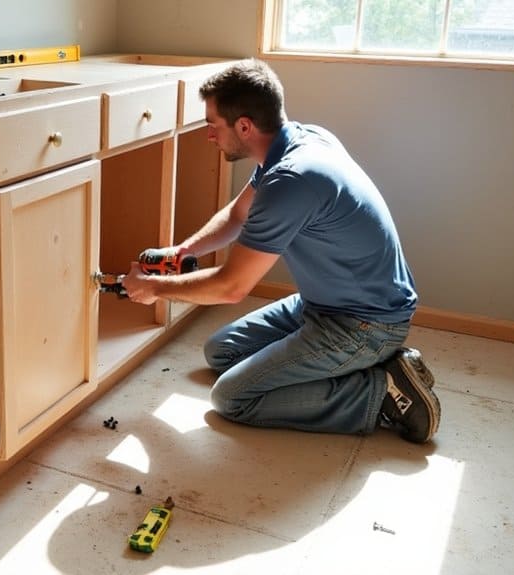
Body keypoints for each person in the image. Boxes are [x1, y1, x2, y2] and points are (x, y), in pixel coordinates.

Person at [121, 59, 440, 443]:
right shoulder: (299, 141)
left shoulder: (292, 180)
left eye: (213, 125)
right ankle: (344, 366)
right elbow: (238, 215)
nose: (208, 135)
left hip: (366, 323)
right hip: (324, 303)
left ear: (244, 126)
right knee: (221, 352)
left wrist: (155, 289)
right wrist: (183, 251)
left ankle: (381, 391)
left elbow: (232, 287)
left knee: (232, 397)